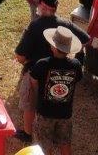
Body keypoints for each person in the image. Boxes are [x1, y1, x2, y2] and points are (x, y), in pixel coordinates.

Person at [13, 0, 89, 144]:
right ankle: (55, 134)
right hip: (57, 74)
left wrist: (28, 62)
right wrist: (75, 56)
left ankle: (28, 134)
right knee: (55, 102)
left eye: (39, 4)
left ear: (43, 7)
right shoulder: (64, 24)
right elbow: (86, 40)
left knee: (30, 103)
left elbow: (20, 56)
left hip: (35, 72)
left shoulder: (34, 26)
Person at [27, 26, 84, 154]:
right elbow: (77, 80)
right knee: (65, 143)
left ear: (53, 47)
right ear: (68, 49)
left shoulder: (42, 64)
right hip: (65, 113)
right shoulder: (76, 65)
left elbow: (33, 82)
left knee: (44, 146)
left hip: (45, 112)